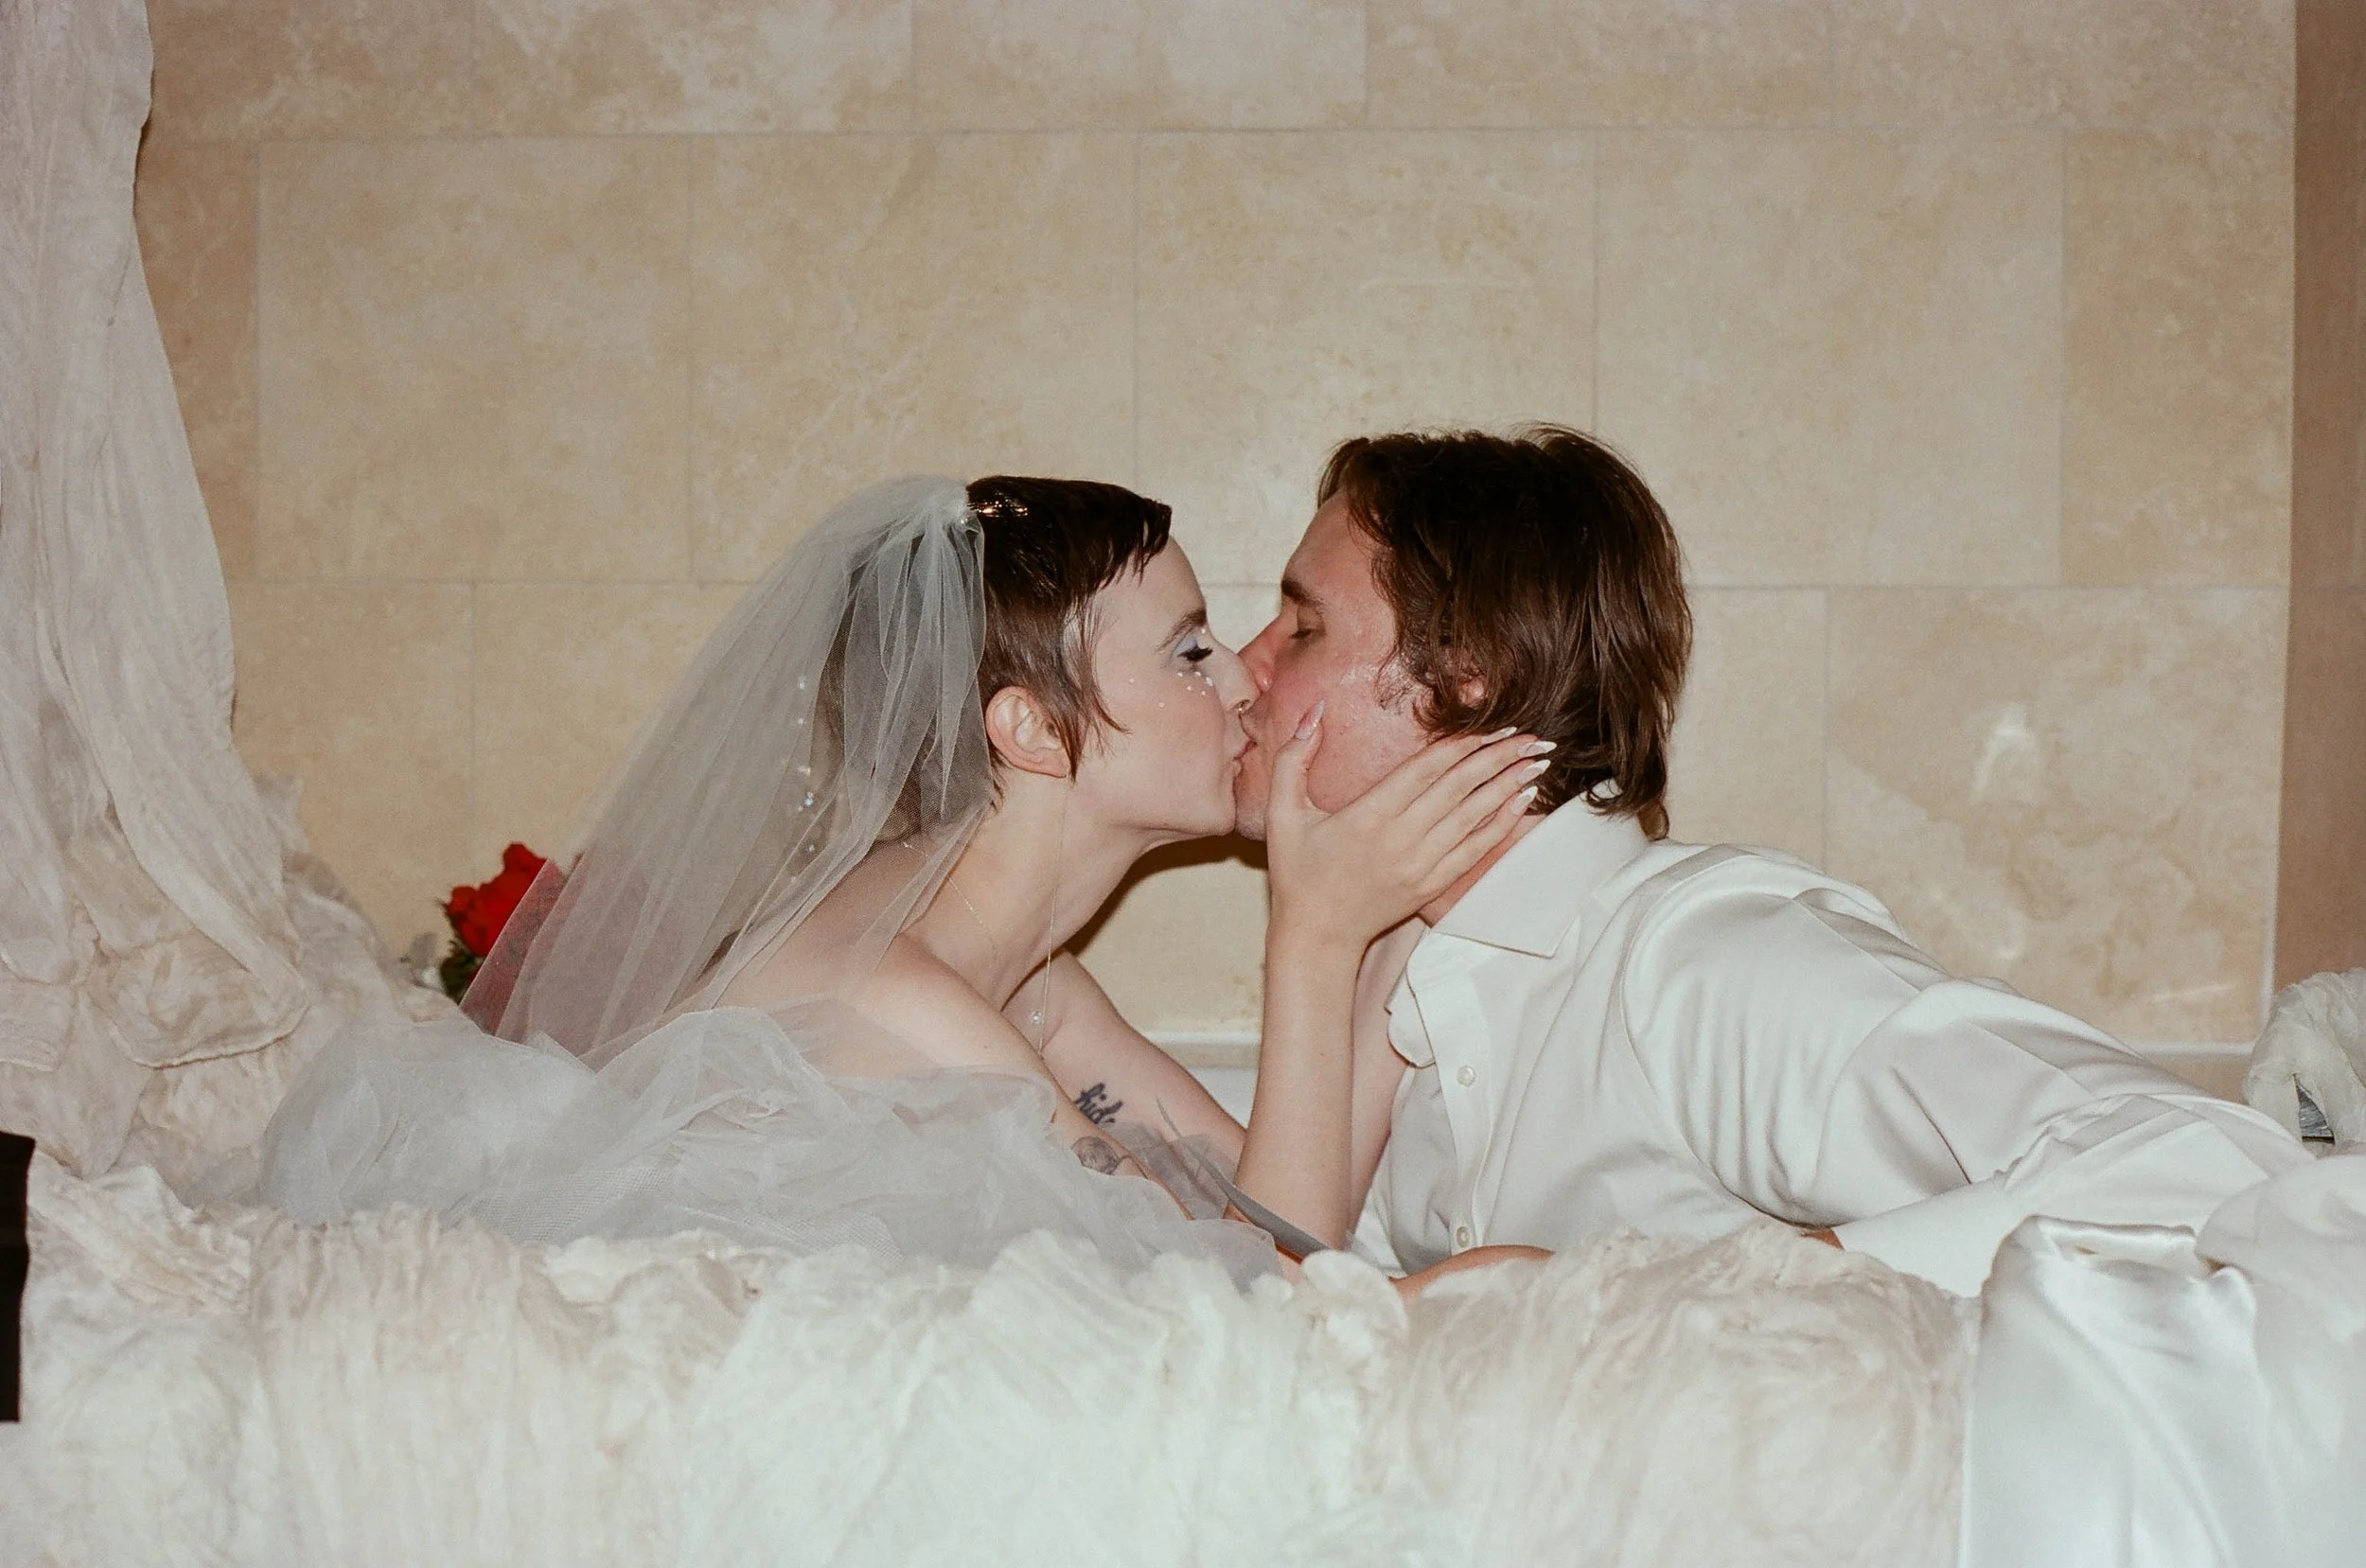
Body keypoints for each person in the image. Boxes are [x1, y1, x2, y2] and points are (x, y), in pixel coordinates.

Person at [255, 474, 1533, 1287]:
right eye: (1190, 651)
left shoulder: (1030, 979)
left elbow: (1263, 1205)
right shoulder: (905, 1002)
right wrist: (1310, 943)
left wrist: (1384, 932)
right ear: (1031, 729)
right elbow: (1261, 1297)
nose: (1246, 680)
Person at [1227, 425, 2311, 1296]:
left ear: (1467, 674)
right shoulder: (1413, 994)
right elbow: (1287, 1326)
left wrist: (1679, 1304)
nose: (1244, 666)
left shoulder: (1696, 964)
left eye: (1302, 628)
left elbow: (2219, 1175)